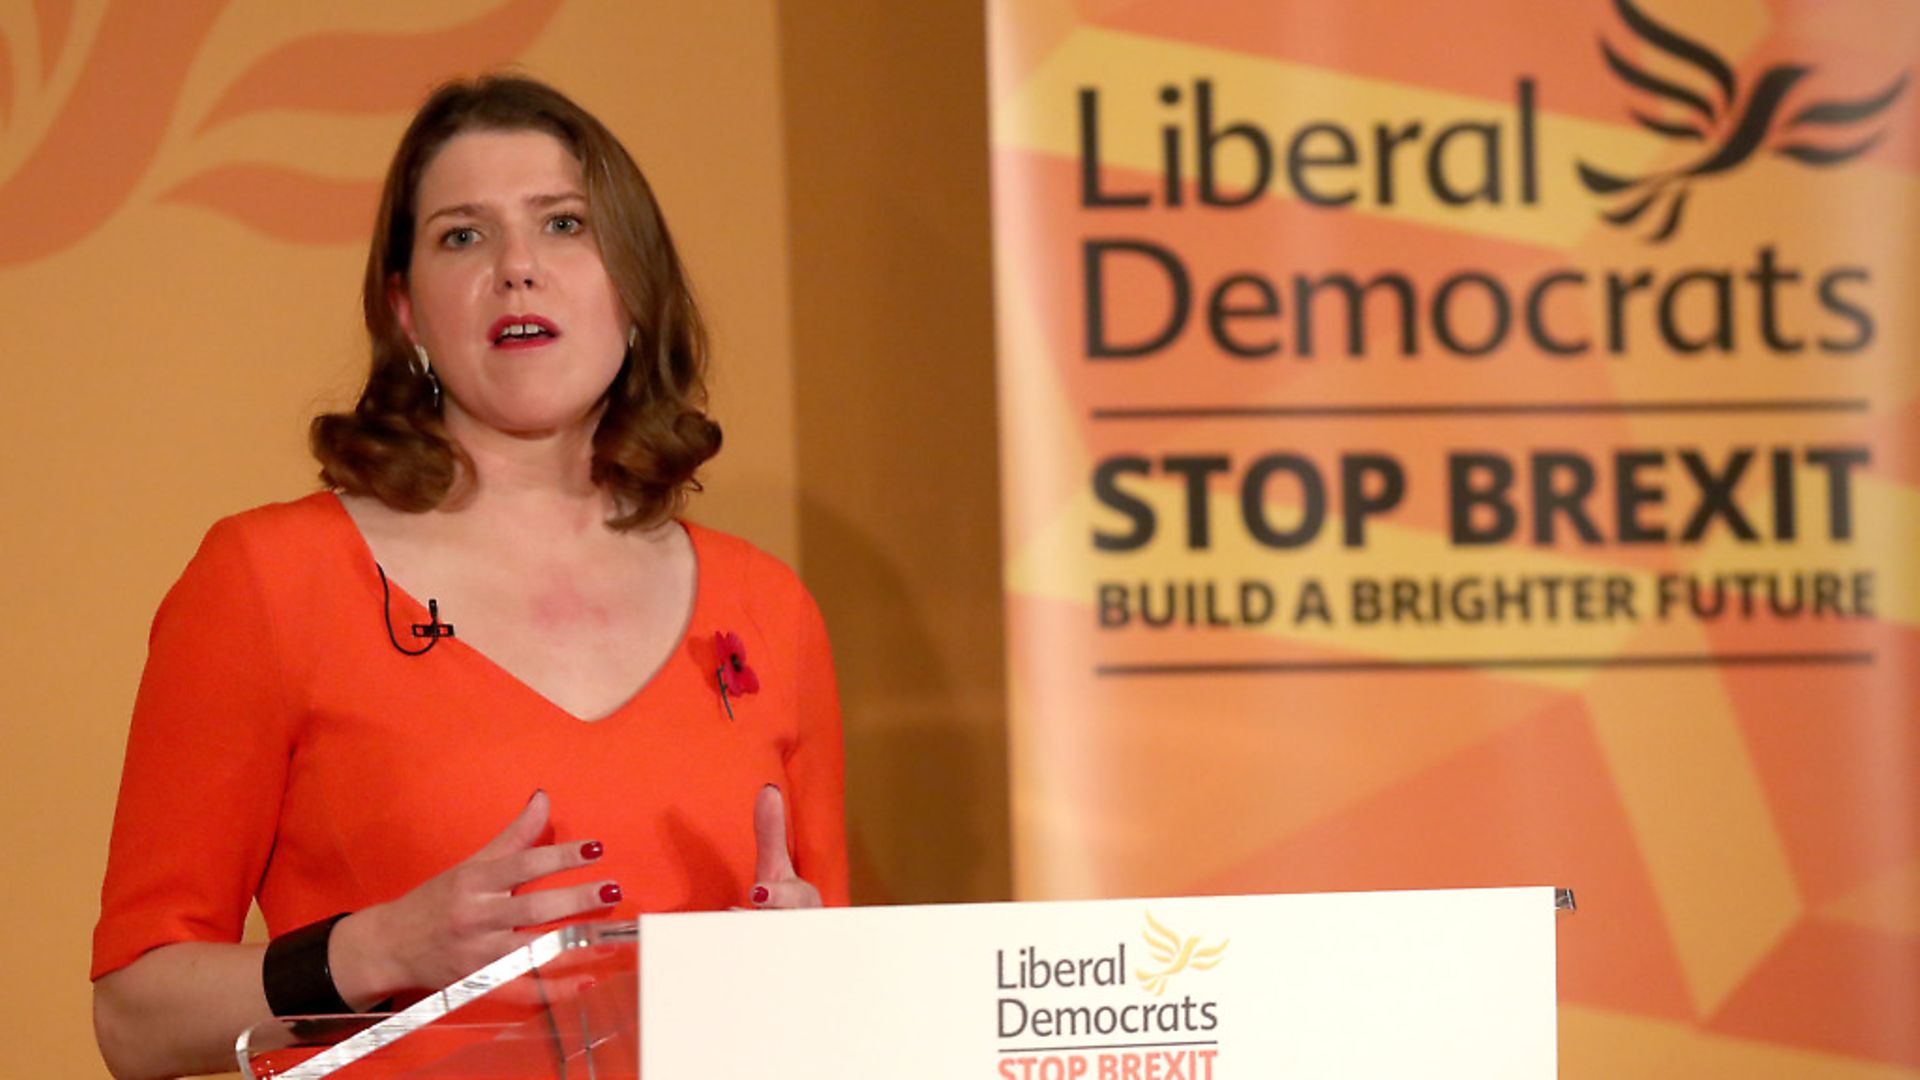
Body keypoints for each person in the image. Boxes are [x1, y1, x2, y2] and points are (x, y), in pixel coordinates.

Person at [90, 75, 846, 1080]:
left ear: (634, 287)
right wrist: (378, 950)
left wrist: (825, 972)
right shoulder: (270, 580)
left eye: (564, 224)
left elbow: (845, 1002)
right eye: (462, 236)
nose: (518, 268)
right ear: (405, 311)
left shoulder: (769, 608)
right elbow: (134, 1021)